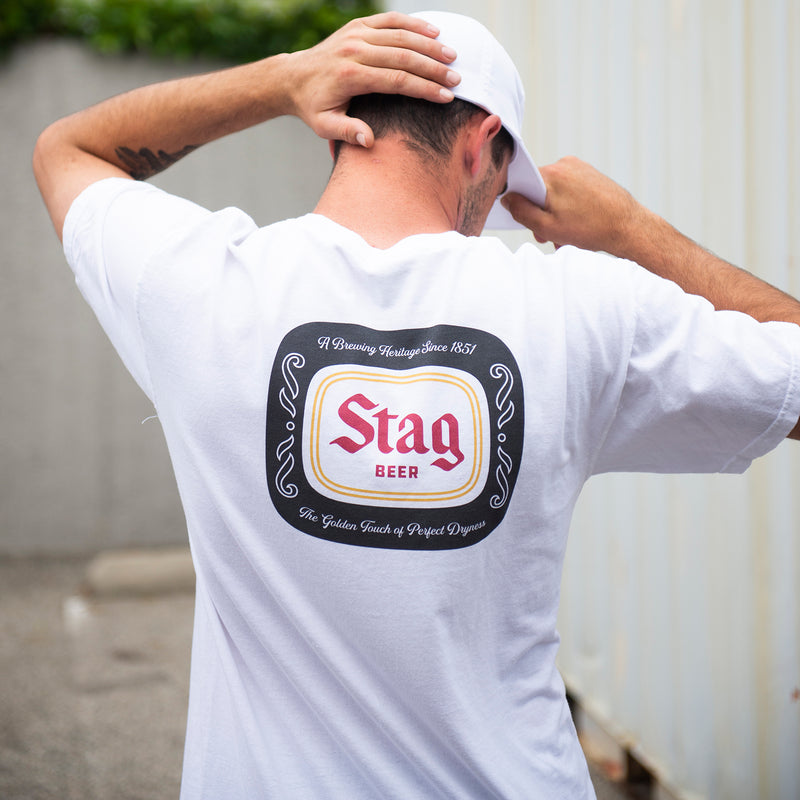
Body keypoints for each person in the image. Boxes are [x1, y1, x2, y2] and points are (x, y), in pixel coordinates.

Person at [33, 9, 800, 800]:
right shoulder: (583, 309)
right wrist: (632, 230)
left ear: (337, 127)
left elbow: (68, 149)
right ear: (483, 142)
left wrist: (280, 78)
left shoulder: (200, 284)